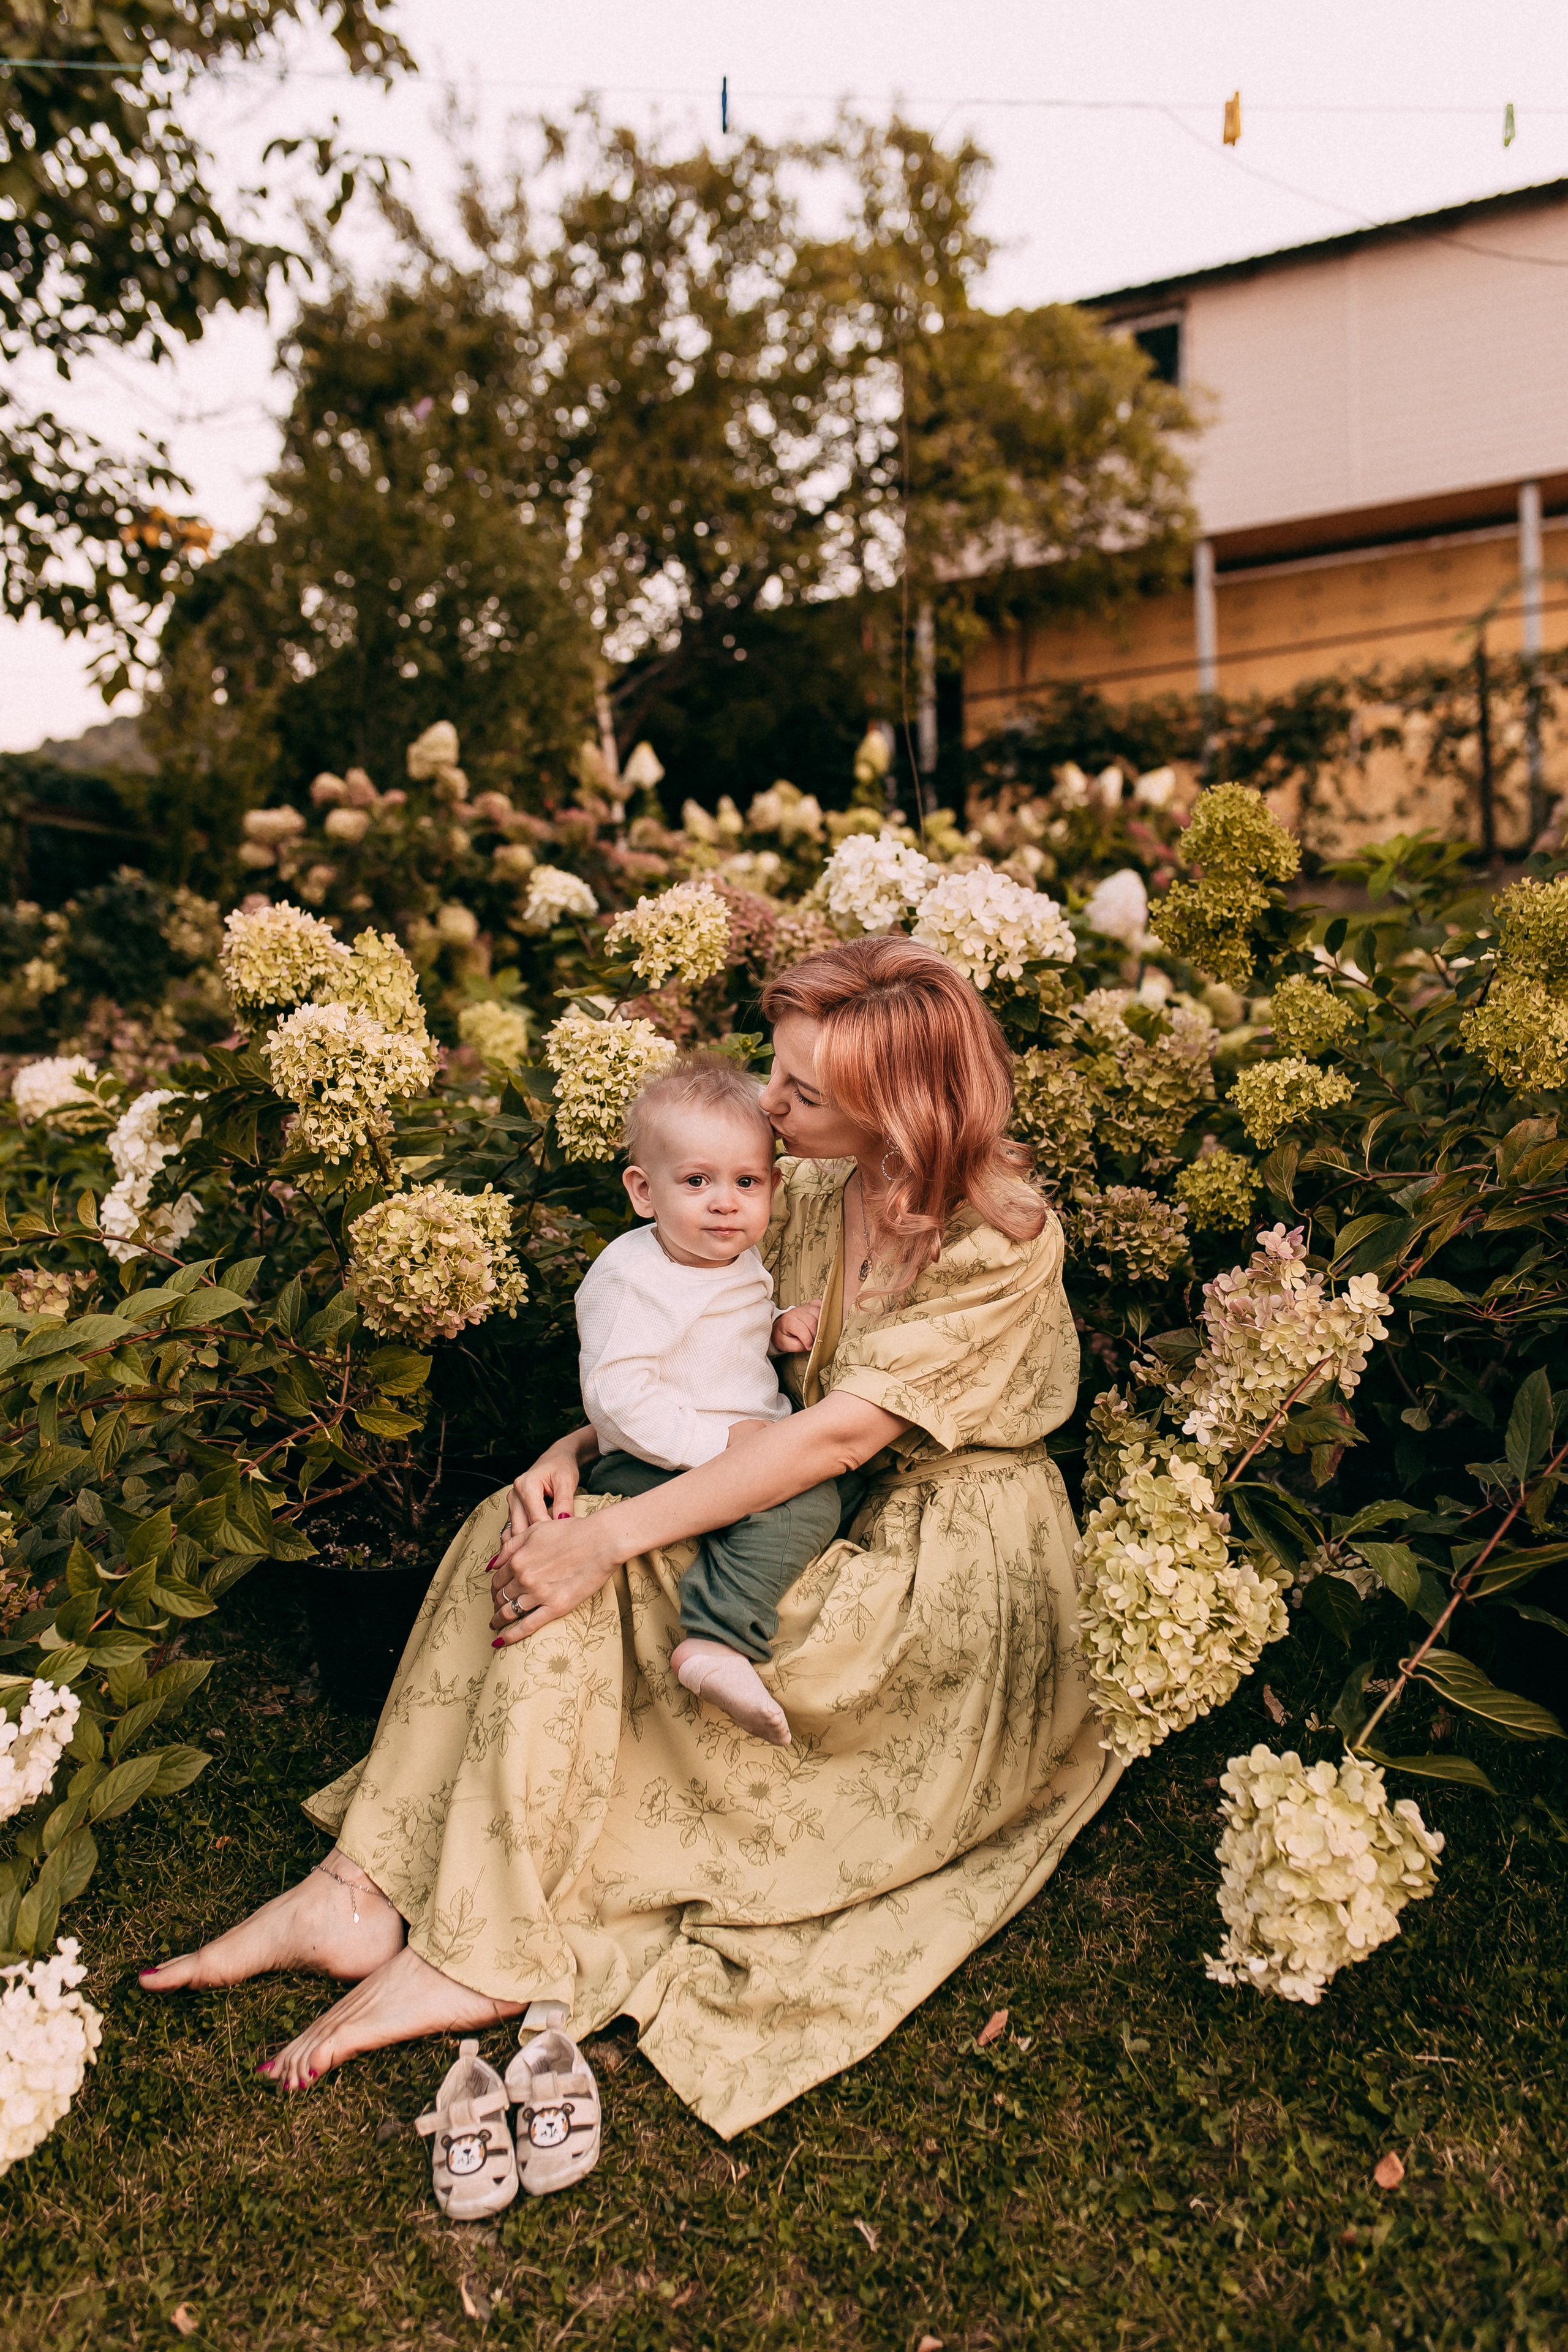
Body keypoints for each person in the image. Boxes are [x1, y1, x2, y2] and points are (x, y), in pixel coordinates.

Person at [140, 936, 1120, 2139]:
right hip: (776, 1481)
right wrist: (572, 1449)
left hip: (935, 1556)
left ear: (897, 1108)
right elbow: (710, 1368)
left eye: (803, 1096)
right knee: (517, 1528)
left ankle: (482, 1949)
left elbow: (830, 1445)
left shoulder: (999, 1237)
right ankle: (357, 1892)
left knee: (587, 1564)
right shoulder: (808, 1187)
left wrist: (606, 1536)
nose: (770, 1107)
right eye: (779, 1075)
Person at [576, 1052, 842, 1746]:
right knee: (808, 1500)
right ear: (643, 1191)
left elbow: (722, 1346)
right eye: (696, 1180)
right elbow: (617, 1396)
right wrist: (717, 1450)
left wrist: (778, 1329)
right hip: (653, 1459)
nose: (725, 1201)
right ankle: (717, 1639)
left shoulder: (728, 1255)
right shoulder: (636, 1279)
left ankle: (739, 1556)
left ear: (771, 1187)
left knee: (824, 1489)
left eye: (746, 1181)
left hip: (739, 1447)